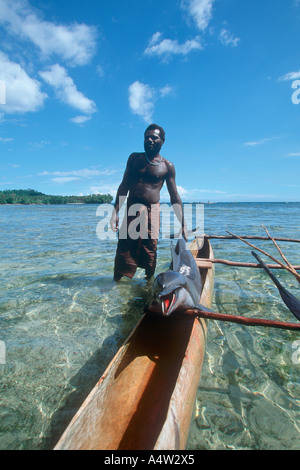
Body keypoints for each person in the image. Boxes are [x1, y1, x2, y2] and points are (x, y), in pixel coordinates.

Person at [110, 124, 187, 281]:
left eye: (154, 137)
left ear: (162, 141)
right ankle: (116, 283)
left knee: (150, 248)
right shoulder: (134, 159)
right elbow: (124, 186)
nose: (149, 140)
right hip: (132, 209)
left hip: (153, 211)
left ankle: (148, 284)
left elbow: (174, 197)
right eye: (146, 137)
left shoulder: (167, 166)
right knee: (123, 247)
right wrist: (114, 213)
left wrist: (183, 224)